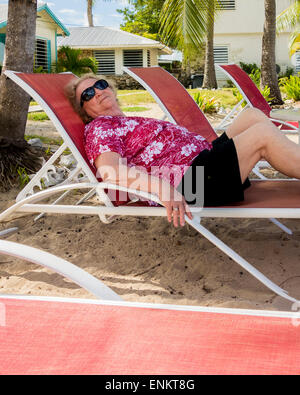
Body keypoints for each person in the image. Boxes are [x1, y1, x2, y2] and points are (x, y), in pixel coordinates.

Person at [65, 74, 300, 228]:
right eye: (87, 94)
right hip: (190, 181)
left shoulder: (124, 121)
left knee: (252, 116)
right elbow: (111, 172)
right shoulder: (99, 128)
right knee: (262, 135)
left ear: (110, 88)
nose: (97, 91)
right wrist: (162, 188)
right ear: (85, 110)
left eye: (100, 84)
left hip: (205, 161)